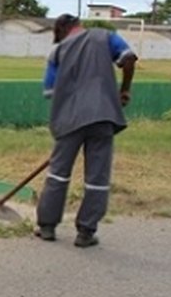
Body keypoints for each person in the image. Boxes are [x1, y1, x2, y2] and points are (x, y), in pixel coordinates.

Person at [35, 15, 137, 248]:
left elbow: (50, 91)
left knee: (58, 174)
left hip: (69, 119)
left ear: (61, 30)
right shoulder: (106, 37)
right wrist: (124, 90)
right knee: (97, 177)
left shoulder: (58, 51)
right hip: (103, 115)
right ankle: (86, 231)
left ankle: (47, 227)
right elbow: (129, 58)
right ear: (78, 25)